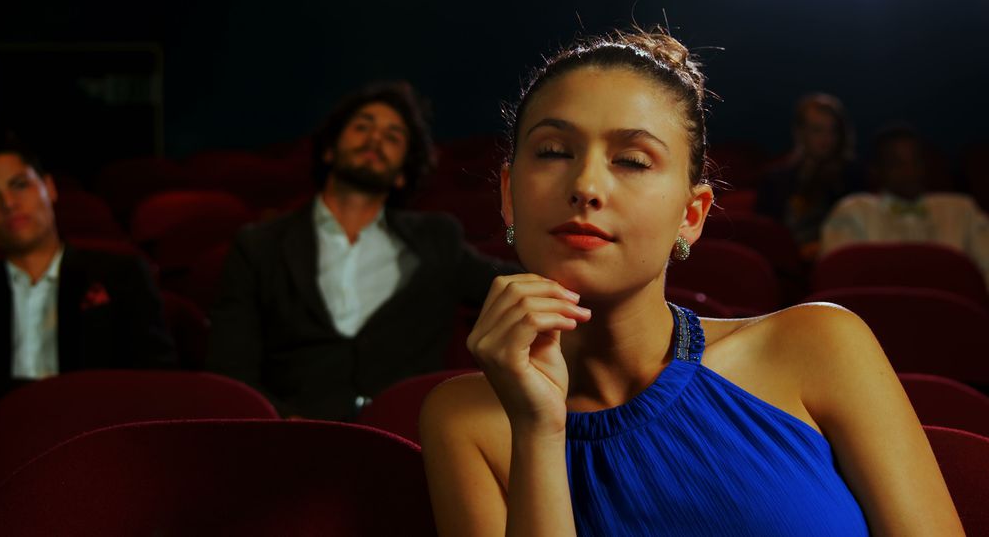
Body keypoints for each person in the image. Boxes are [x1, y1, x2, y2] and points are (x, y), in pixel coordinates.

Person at [420, 29, 962, 536]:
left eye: (632, 160)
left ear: (692, 215)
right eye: (554, 152)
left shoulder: (819, 344)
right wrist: (537, 430)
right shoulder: (462, 419)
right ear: (509, 194)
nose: (585, 185)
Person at [0, 128, 176, 533]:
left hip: (100, 450)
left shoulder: (122, 277)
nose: (8, 203)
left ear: (49, 188)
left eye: (19, 185)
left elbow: (154, 379)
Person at [209, 82, 517, 420]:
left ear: (402, 174)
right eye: (362, 127)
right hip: (294, 441)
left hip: (408, 437)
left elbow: (509, 284)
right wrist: (286, 424)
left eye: (393, 137)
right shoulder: (259, 245)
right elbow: (232, 370)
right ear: (329, 150)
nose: (375, 140)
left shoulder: (436, 239)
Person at [821, 123, 989, 282]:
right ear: (876, 170)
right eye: (897, 163)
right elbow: (837, 278)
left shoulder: (962, 210)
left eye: (916, 161)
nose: (910, 171)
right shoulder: (853, 211)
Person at [755, 93, 862, 259]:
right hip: (785, 262)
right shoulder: (776, 178)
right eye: (817, 130)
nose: (826, 139)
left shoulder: (853, 176)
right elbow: (766, 234)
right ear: (800, 132)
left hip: (837, 258)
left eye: (832, 130)